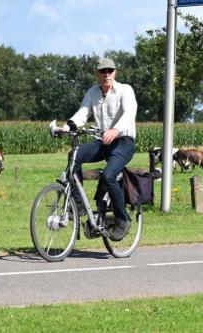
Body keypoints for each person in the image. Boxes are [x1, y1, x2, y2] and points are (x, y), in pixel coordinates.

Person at [61, 57, 137, 241]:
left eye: (110, 70)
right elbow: (83, 113)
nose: (107, 74)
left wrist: (115, 129)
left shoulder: (125, 90)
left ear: (115, 72)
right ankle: (78, 204)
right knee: (75, 155)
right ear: (97, 74)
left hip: (123, 141)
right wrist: (66, 127)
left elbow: (129, 113)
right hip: (103, 142)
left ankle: (122, 219)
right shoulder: (92, 92)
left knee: (109, 176)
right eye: (103, 71)